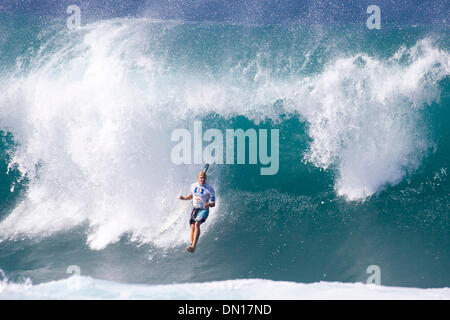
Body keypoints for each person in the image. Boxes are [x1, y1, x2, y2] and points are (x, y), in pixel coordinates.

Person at [178, 171, 215, 253]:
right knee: (192, 226)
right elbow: (191, 196)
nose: (203, 179)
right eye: (201, 177)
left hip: (204, 210)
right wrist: (184, 198)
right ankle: (191, 245)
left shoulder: (210, 189)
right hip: (195, 209)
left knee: (197, 224)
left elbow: (213, 203)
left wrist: (208, 204)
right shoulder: (193, 186)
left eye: (204, 178)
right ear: (198, 178)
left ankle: (194, 246)